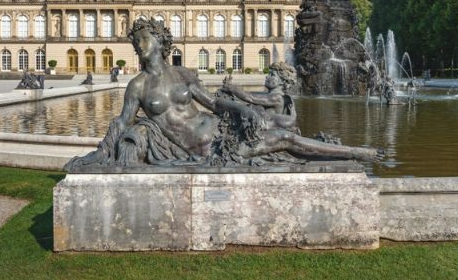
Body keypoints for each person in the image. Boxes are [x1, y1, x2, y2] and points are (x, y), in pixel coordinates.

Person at [66, 18, 378, 170]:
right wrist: (99, 153)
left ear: (160, 42)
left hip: (219, 128)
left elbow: (213, 103)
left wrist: (243, 110)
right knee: (286, 141)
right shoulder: (137, 86)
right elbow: (122, 122)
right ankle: (355, 154)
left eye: (144, 39)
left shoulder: (184, 74)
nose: (139, 46)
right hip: (205, 147)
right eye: (136, 43)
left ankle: (355, 153)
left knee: (284, 132)